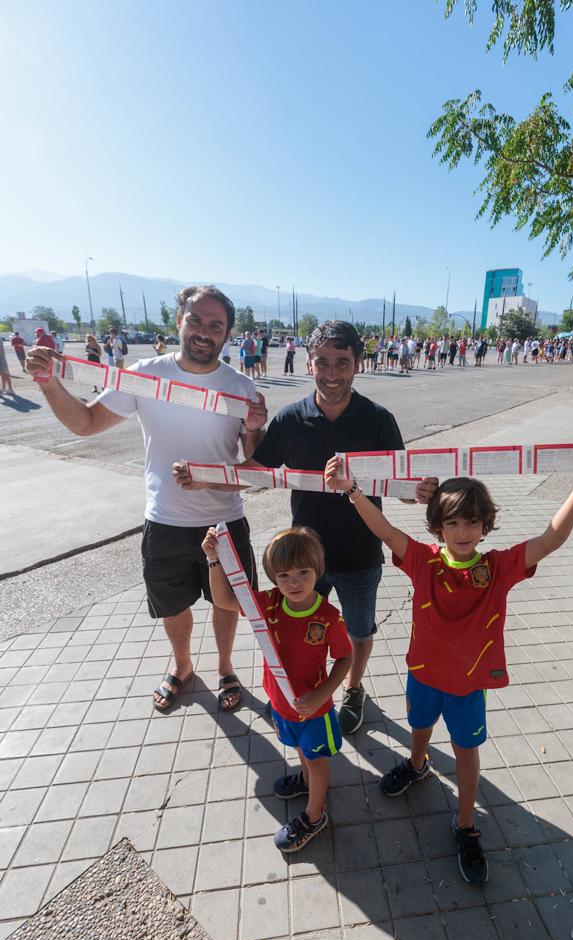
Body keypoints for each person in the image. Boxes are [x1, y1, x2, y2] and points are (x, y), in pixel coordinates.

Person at [325, 439, 573, 882]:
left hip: (469, 683)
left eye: (472, 522)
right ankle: (417, 766)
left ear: (485, 525)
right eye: (453, 522)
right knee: (418, 725)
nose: (462, 531)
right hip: (422, 672)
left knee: (465, 751)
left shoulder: (498, 567)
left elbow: (551, 538)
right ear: (437, 526)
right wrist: (352, 491)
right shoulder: (422, 559)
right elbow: (383, 530)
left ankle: (465, 824)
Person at [175, 320, 437, 735]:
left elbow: (401, 486)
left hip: (359, 551)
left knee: (359, 630)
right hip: (304, 558)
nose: (332, 374)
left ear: (358, 364)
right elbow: (256, 470)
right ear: (310, 364)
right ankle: (313, 689)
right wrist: (205, 478)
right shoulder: (292, 419)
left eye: (342, 363)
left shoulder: (378, 420)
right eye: (322, 363)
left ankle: (353, 688)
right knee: (304, 630)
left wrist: (418, 491)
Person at [26, 285, 267, 714]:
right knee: (172, 605)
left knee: (225, 603)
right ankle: (182, 667)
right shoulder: (145, 375)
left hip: (224, 520)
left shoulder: (241, 386)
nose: (203, 332)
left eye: (215, 325)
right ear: (178, 321)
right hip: (165, 520)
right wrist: (49, 383)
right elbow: (84, 423)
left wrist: (253, 427)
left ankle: (226, 667)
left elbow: (251, 461)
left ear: (228, 334)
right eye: (195, 320)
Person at [202, 525, 351, 852]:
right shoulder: (267, 604)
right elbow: (224, 599)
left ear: (318, 569)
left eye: (303, 572)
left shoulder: (329, 617)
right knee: (301, 754)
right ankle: (307, 782)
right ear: (272, 576)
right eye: (283, 575)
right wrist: (214, 559)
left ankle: (315, 815)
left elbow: (345, 658)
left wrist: (321, 695)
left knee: (318, 761)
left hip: (314, 711)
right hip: (281, 704)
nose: (293, 582)